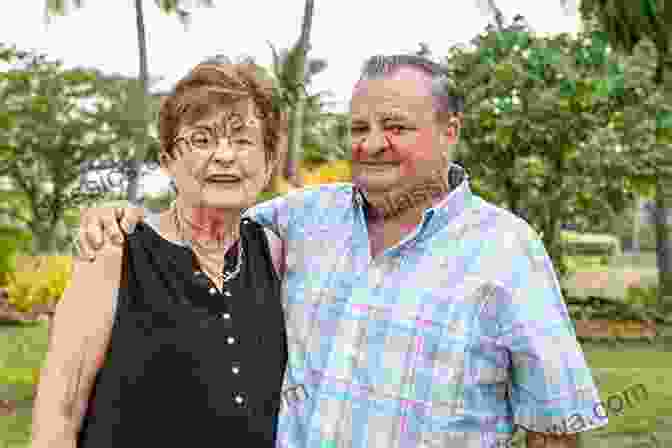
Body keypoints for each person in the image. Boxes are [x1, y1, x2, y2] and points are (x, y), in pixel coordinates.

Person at [73, 54, 606, 448]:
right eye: (359, 128)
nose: (372, 144)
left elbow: (554, 424)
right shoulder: (305, 218)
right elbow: (200, 217)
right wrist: (124, 215)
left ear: (450, 133)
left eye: (395, 126)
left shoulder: (508, 250)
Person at [30, 59, 288, 447]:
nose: (224, 155)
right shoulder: (114, 250)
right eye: (201, 139)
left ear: (268, 163)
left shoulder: (275, 252)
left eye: (242, 139)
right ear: (168, 160)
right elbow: (59, 413)